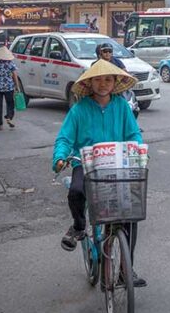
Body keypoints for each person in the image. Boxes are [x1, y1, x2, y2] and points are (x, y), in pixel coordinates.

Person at [51, 61, 146, 286]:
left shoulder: (122, 107)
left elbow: (134, 133)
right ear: (90, 83)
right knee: (76, 191)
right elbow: (65, 138)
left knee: (129, 217)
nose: (103, 84)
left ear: (115, 83)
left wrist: (138, 149)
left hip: (117, 164)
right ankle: (79, 226)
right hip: (86, 164)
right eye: (97, 80)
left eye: (108, 80)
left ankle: (126, 270)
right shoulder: (79, 109)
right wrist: (60, 157)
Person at [0, 47, 21, 130]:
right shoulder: (11, 64)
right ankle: (9, 117)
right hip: (8, 87)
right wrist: (17, 86)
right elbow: (15, 76)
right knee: (10, 103)